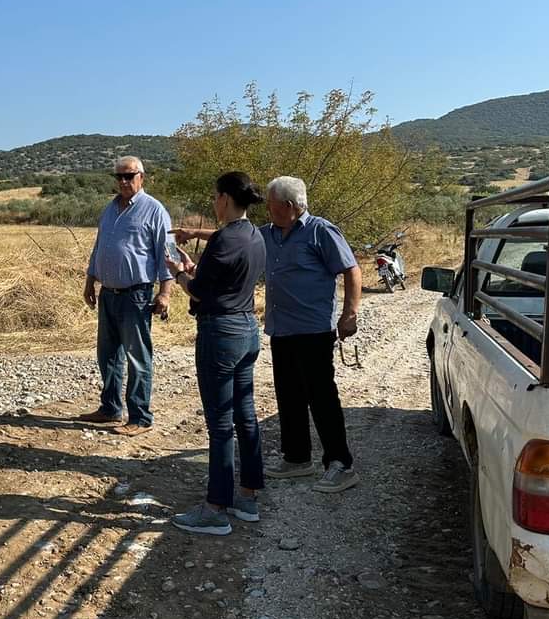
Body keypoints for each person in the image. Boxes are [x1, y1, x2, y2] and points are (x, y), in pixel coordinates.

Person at [173, 175, 362, 493]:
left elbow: (351, 269)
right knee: (289, 395)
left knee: (321, 398)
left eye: (272, 206)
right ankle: (297, 458)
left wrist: (350, 313)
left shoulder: (321, 231)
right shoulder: (270, 233)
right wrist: (194, 233)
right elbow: (232, 237)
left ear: (289, 206)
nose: (267, 210)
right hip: (281, 328)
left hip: (313, 330)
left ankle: (340, 464)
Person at [164, 172, 267, 536]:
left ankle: (215, 509)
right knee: (246, 416)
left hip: (220, 333)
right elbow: (221, 280)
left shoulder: (224, 238)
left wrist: (179, 273)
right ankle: (248, 497)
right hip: (247, 329)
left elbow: (199, 292)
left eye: (214, 197)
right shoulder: (255, 234)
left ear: (224, 198)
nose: (212, 203)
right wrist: (194, 269)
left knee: (220, 424)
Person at [78, 155, 174, 435]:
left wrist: (165, 293)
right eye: (118, 176)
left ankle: (140, 417)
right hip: (108, 293)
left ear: (141, 177)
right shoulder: (110, 209)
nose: (123, 181)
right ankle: (110, 408)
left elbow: (167, 254)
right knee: (107, 355)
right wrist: (90, 281)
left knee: (137, 358)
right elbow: (99, 247)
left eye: (128, 176)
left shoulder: (154, 210)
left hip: (137, 295)